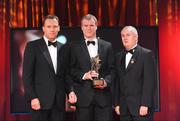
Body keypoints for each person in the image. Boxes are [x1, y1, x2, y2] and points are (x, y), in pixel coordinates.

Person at [22, 14, 77, 121]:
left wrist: (70, 91)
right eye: (49, 26)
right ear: (43, 28)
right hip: (39, 101)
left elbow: (66, 74)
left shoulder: (65, 48)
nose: (52, 29)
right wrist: (33, 97)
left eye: (55, 26)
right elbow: (27, 75)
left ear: (59, 28)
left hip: (59, 103)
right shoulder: (32, 46)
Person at [69, 14, 114, 121]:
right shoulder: (73, 47)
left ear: (96, 26)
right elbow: (70, 70)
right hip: (83, 99)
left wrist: (105, 82)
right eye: (86, 25)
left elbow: (113, 70)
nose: (88, 28)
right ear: (81, 27)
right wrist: (84, 75)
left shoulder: (107, 46)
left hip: (104, 99)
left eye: (91, 25)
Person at [114, 26, 157, 121]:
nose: (125, 38)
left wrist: (145, 104)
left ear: (136, 37)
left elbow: (150, 82)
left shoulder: (146, 54)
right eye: (123, 36)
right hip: (124, 108)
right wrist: (117, 103)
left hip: (141, 107)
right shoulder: (118, 56)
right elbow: (117, 82)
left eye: (128, 35)